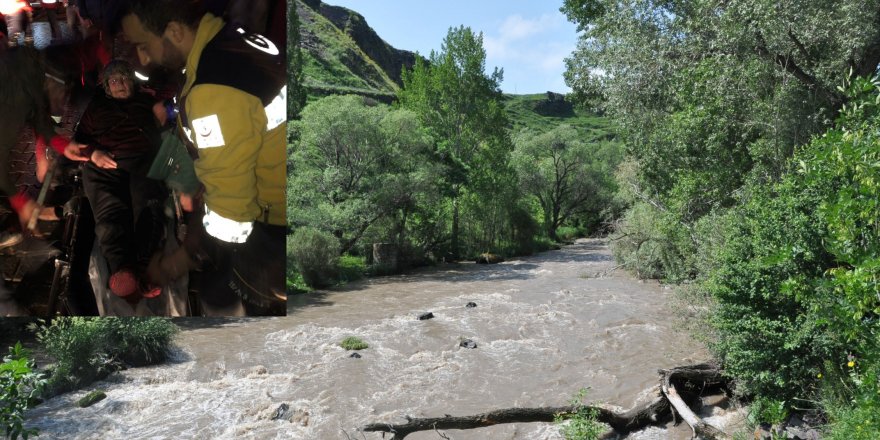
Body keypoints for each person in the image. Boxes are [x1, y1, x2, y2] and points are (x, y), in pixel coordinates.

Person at [119, 0, 286, 316]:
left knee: (219, 294)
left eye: (144, 45)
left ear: (174, 31)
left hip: (275, 221)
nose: (142, 59)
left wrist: (171, 266)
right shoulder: (227, 39)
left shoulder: (213, 89)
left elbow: (231, 216)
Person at [74, 59, 167, 303]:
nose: (120, 84)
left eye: (124, 79)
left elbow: (168, 118)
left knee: (147, 205)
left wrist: (163, 111)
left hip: (143, 161)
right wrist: (93, 153)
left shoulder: (145, 101)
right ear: (106, 87)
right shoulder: (96, 107)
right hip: (106, 164)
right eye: (114, 81)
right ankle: (122, 268)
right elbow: (79, 141)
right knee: (109, 211)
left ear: (132, 83)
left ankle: (145, 267)